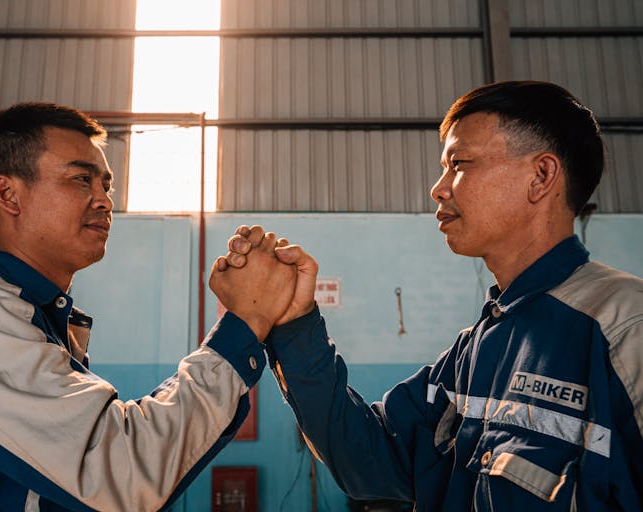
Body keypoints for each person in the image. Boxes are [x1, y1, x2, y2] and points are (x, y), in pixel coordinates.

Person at [216, 81, 643, 510]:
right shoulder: (475, 351)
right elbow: (367, 460)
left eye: (459, 163)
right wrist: (294, 322)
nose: (438, 189)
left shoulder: (625, 332)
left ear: (541, 176)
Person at [0, 102, 297, 511]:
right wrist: (245, 322)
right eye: (81, 179)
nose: (104, 201)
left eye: (107, 185)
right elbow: (121, 470)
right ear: (8, 194)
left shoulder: (36, 317)